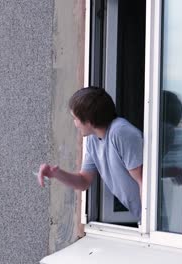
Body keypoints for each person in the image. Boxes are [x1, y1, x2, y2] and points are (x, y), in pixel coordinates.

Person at [38, 86, 143, 220]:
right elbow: (83, 181)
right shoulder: (93, 140)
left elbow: (143, 181)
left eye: (75, 118)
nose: (75, 124)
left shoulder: (120, 132)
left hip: (154, 221)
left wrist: (148, 226)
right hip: (143, 218)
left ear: (89, 121)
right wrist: (56, 174)